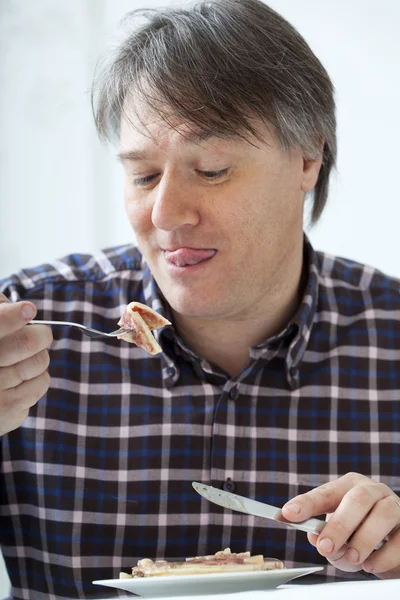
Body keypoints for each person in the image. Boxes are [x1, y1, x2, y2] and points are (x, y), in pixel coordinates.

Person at [1, 0, 399, 598]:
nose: (164, 215)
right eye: (142, 176)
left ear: (308, 160)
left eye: (211, 169)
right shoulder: (25, 334)